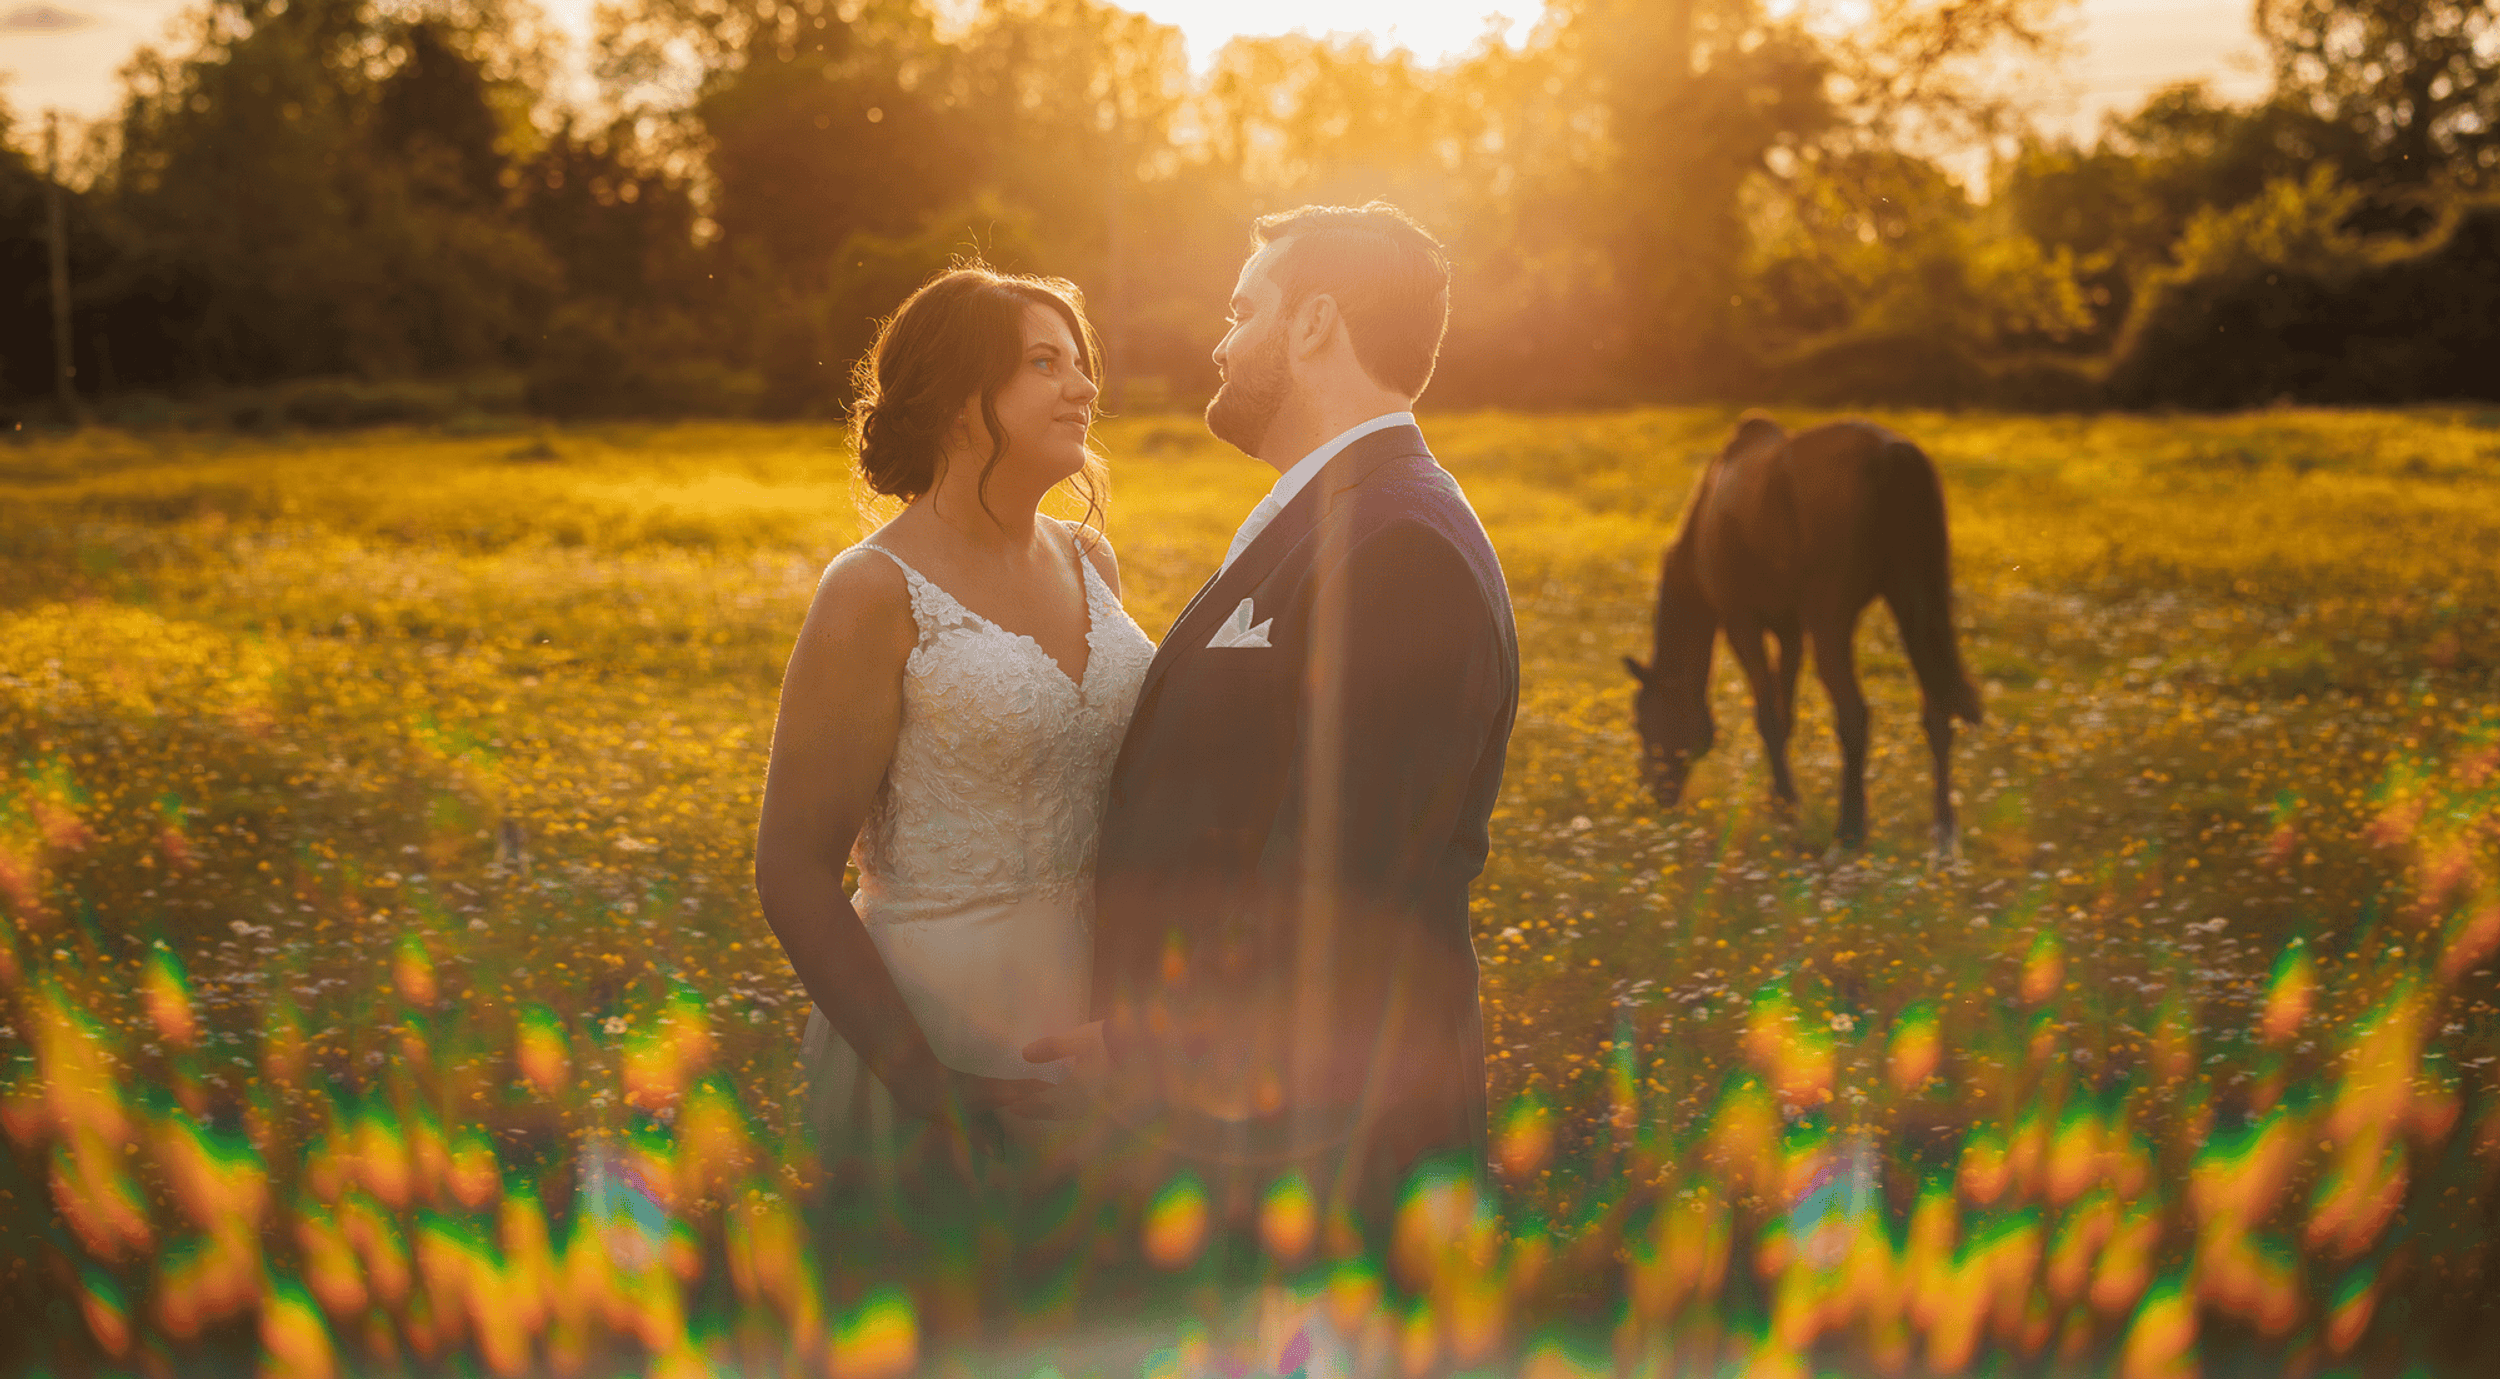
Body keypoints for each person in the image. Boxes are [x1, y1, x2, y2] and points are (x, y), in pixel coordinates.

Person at [1026, 202, 1520, 1226]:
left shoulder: (1399, 544)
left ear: (1313, 324)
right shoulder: (1341, 512)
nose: (1220, 339)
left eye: (1243, 309)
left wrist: (1149, 1042)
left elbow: (1347, 873)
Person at [752, 264, 1155, 1170]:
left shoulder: (1092, 559)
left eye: (1081, 361)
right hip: (939, 1015)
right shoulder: (872, 591)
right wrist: (928, 1083)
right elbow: (790, 870)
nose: (1085, 387)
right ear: (957, 402)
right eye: (1045, 363)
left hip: (1097, 1015)